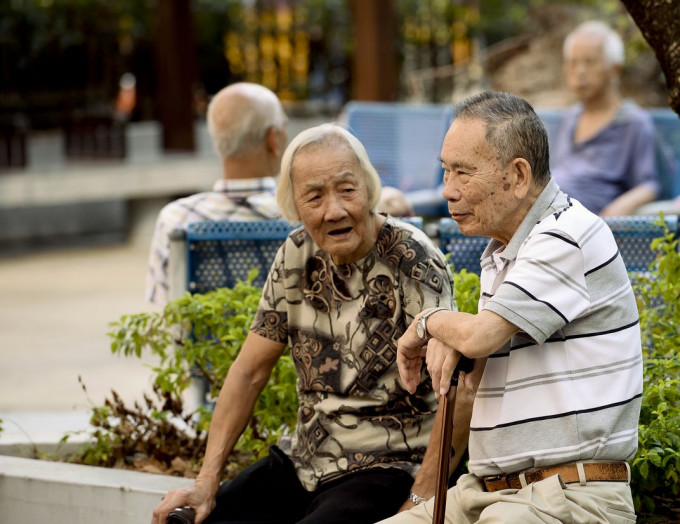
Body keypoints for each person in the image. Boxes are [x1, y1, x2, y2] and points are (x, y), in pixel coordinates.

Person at [152, 123, 458, 524]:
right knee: (191, 520)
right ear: (294, 204)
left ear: (368, 188)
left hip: (386, 466)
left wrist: (420, 501)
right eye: (314, 196)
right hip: (304, 462)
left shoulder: (413, 258)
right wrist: (207, 481)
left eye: (347, 189)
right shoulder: (296, 253)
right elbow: (249, 372)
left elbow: (455, 391)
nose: (334, 210)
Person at [379, 91, 642, 523]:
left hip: (569, 496)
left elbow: (481, 335)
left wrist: (428, 323)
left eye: (462, 172)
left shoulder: (565, 234)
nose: (448, 190)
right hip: (485, 494)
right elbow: (473, 373)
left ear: (518, 175)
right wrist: (454, 339)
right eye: (446, 170)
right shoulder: (502, 255)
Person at [145, 82, 288, 305]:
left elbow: (166, 316)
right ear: (273, 139)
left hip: (203, 341)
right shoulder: (300, 213)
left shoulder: (176, 219)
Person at [550, 20, 660, 216]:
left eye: (589, 62)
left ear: (615, 69)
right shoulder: (571, 117)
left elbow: (648, 185)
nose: (579, 72)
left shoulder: (633, 122)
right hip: (548, 214)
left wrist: (618, 209)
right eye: (573, 63)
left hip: (586, 224)